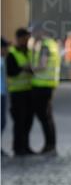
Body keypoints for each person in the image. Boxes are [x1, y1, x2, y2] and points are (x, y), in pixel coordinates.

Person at [29, 24, 60, 155]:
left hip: (42, 85)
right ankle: (50, 145)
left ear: (41, 31)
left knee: (44, 117)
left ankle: (49, 145)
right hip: (48, 85)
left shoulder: (44, 46)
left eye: (34, 33)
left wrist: (29, 69)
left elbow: (42, 65)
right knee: (47, 116)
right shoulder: (52, 44)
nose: (32, 36)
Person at [6, 27, 34, 157]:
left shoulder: (29, 52)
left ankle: (26, 146)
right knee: (19, 121)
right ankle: (18, 148)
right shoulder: (12, 53)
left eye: (27, 39)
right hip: (17, 93)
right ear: (18, 39)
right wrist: (23, 68)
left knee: (28, 120)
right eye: (24, 39)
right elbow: (10, 72)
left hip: (29, 91)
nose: (26, 41)